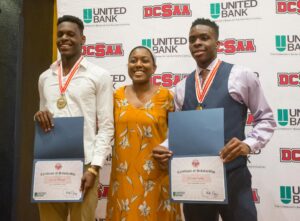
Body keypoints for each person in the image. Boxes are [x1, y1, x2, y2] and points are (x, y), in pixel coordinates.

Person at [153, 18, 276, 221]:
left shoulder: (241, 75)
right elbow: (182, 133)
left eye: (204, 38)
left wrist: (248, 145)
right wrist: (166, 145)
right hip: (194, 179)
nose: (197, 43)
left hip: (233, 175)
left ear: (217, 44)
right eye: (192, 39)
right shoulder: (182, 87)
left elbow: (266, 119)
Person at [34, 15, 114, 221]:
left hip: (85, 165)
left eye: (71, 34)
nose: (64, 38)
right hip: (49, 164)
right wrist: (39, 116)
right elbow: (44, 118)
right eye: (60, 34)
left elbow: (106, 127)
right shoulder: (45, 77)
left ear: (82, 39)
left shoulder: (99, 75)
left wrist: (94, 169)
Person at [106, 46, 182, 221]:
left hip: (157, 176)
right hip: (124, 180)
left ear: (154, 68)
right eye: (133, 60)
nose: (138, 64)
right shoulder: (115, 97)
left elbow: (180, 135)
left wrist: (171, 153)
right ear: (128, 66)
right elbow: (102, 129)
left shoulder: (166, 96)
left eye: (145, 60)